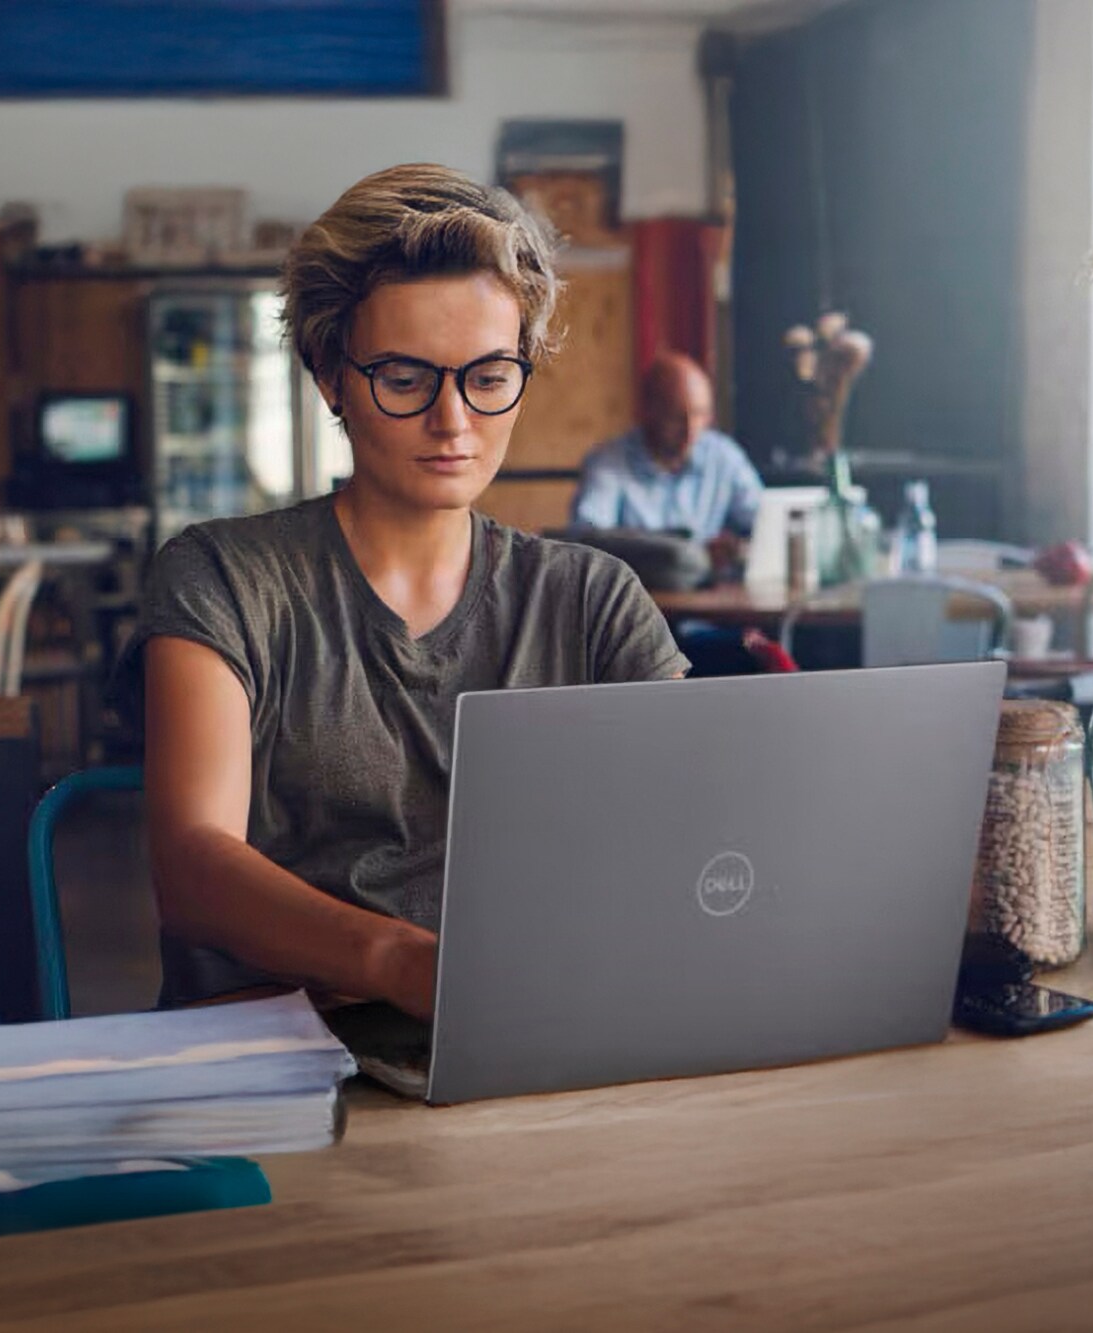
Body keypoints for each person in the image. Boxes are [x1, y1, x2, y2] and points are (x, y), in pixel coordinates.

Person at [122, 164, 689, 1020]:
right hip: (286, 1065)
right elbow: (194, 869)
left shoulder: (593, 602)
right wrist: (404, 964)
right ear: (329, 377)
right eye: (403, 378)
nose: (453, 421)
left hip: (529, 1041)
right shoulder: (226, 580)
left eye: (490, 376)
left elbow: (697, 833)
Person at [570, 353, 764, 572]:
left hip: (709, 599)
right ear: (647, 411)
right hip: (636, 598)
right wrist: (693, 554)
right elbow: (588, 538)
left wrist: (739, 548)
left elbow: (764, 520)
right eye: (676, 417)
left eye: (700, 414)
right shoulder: (608, 462)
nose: (690, 430)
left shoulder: (724, 457)